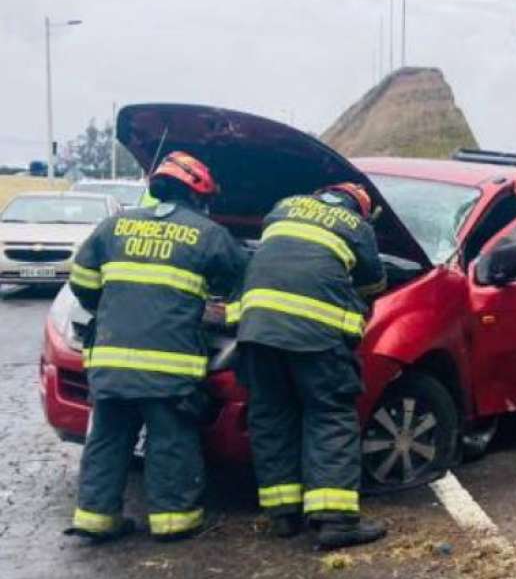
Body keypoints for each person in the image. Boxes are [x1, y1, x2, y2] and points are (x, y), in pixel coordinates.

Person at [66, 151, 247, 542]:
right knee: (171, 441)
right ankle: (173, 523)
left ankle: (95, 520)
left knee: (108, 439)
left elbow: (81, 282)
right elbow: (243, 287)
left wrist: (115, 306)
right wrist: (219, 314)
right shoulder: (209, 234)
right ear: (199, 195)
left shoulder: (113, 226)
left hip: (110, 361)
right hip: (169, 365)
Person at [231, 182, 387, 550]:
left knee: (271, 416)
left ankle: (283, 514)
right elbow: (374, 282)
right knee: (330, 415)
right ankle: (336, 521)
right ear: (360, 208)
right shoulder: (356, 226)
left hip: (256, 332)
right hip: (315, 337)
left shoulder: (281, 206)